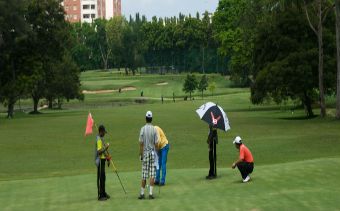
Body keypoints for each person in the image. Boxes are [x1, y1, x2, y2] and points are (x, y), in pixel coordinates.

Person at [138, 111, 159, 200]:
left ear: (146, 118)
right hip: (152, 154)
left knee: (144, 175)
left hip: (145, 154)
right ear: (151, 119)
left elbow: (141, 144)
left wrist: (141, 154)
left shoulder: (142, 129)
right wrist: (157, 153)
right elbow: (157, 143)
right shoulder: (154, 129)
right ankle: (150, 194)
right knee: (152, 174)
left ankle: (142, 194)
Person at [95, 125, 110, 201]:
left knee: (103, 177)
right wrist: (106, 148)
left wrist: (108, 158)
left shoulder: (101, 138)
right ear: (101, 131)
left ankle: (103, 193)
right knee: (101, 178)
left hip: (103, 160)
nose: (104, 133)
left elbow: (103, 153)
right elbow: (99, 152)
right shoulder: (98, 139)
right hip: (100, 161)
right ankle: (100, 196)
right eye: (104, 132)